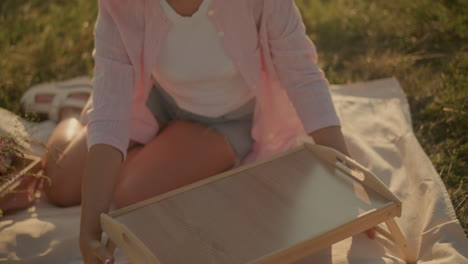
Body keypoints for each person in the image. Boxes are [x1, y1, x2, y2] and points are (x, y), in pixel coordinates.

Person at [9, 0, 375, 263]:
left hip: (230, 119)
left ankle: (155, 143)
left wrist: (347, 177)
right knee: (61, 186)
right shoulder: (120, 6)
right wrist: (88, 228)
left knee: (132, 191)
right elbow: (112, 109)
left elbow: (303, 77)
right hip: (154, 98)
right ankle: (73, 111)